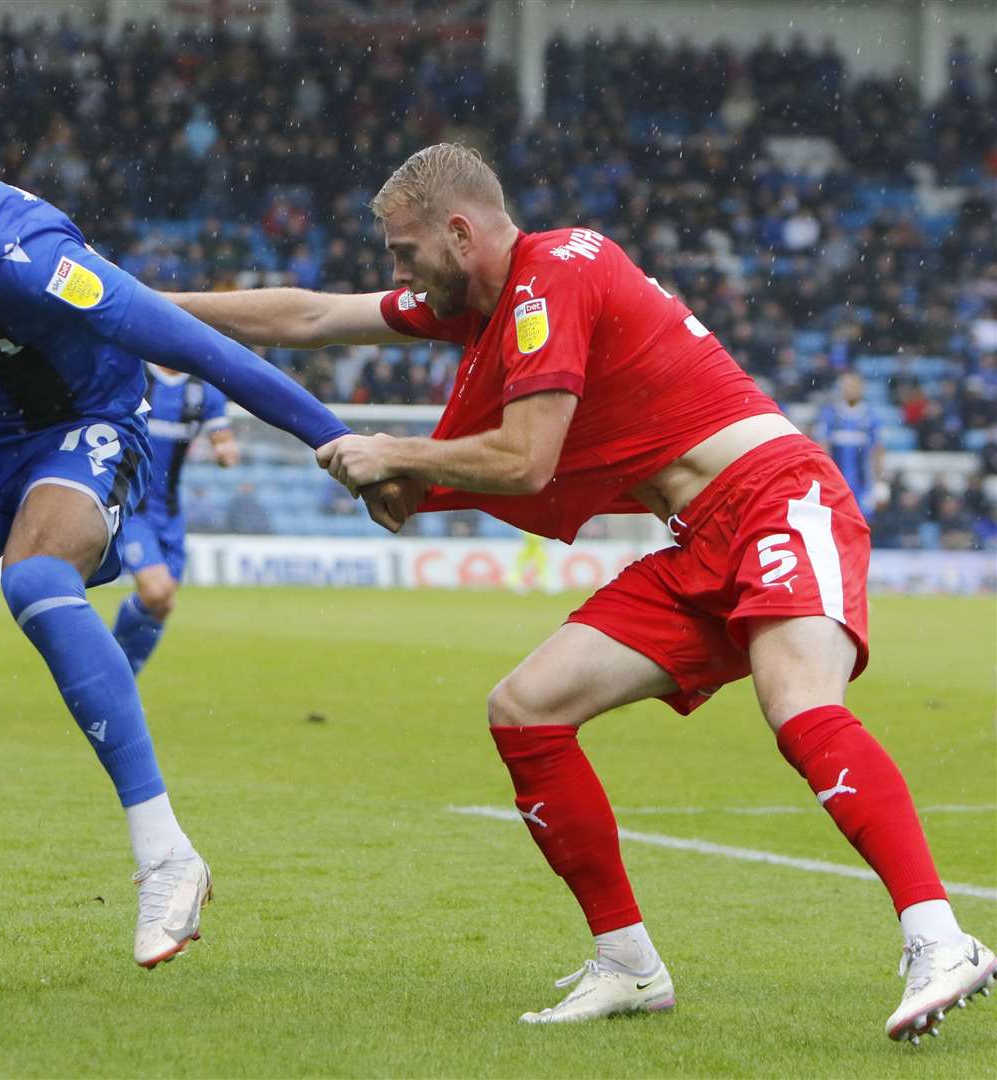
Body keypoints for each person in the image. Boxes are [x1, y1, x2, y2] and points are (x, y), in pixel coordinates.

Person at [167, 143, 992, 1039]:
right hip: (696, 543)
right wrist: (140, 312)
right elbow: (311, 316)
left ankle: (937, 937)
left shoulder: (555, 270)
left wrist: (395, 452)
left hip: (776, 502)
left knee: (797, 707)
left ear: (458, 231)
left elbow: (526, 460)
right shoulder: (484, 301)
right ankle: (628, 965)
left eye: (405, 253)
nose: (395, 271)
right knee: (525, 709)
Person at [0, 103, 352, 968]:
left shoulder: (25, 254)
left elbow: (198, 347)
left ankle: (167, 858)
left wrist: (335, 442)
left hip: (82, 430)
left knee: (36, 584)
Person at [111, 364, 238, 676]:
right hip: (133, 507)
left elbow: (223, 440)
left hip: (170, 513)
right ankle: (109, 655)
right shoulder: (136, 374)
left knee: (163, 604)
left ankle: (125, 678)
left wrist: (225, 451)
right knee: (156, 592)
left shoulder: (203, 389)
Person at [815, 371, 885, 514]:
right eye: (846, 385)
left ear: (861, 388)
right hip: (835, 483)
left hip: (863, 484)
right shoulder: (830, 414)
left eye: (854, 385)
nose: (850, 389)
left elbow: (877, 451)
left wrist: (878, 483)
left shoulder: (871, 416)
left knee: (862, 522)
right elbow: (822, 447)